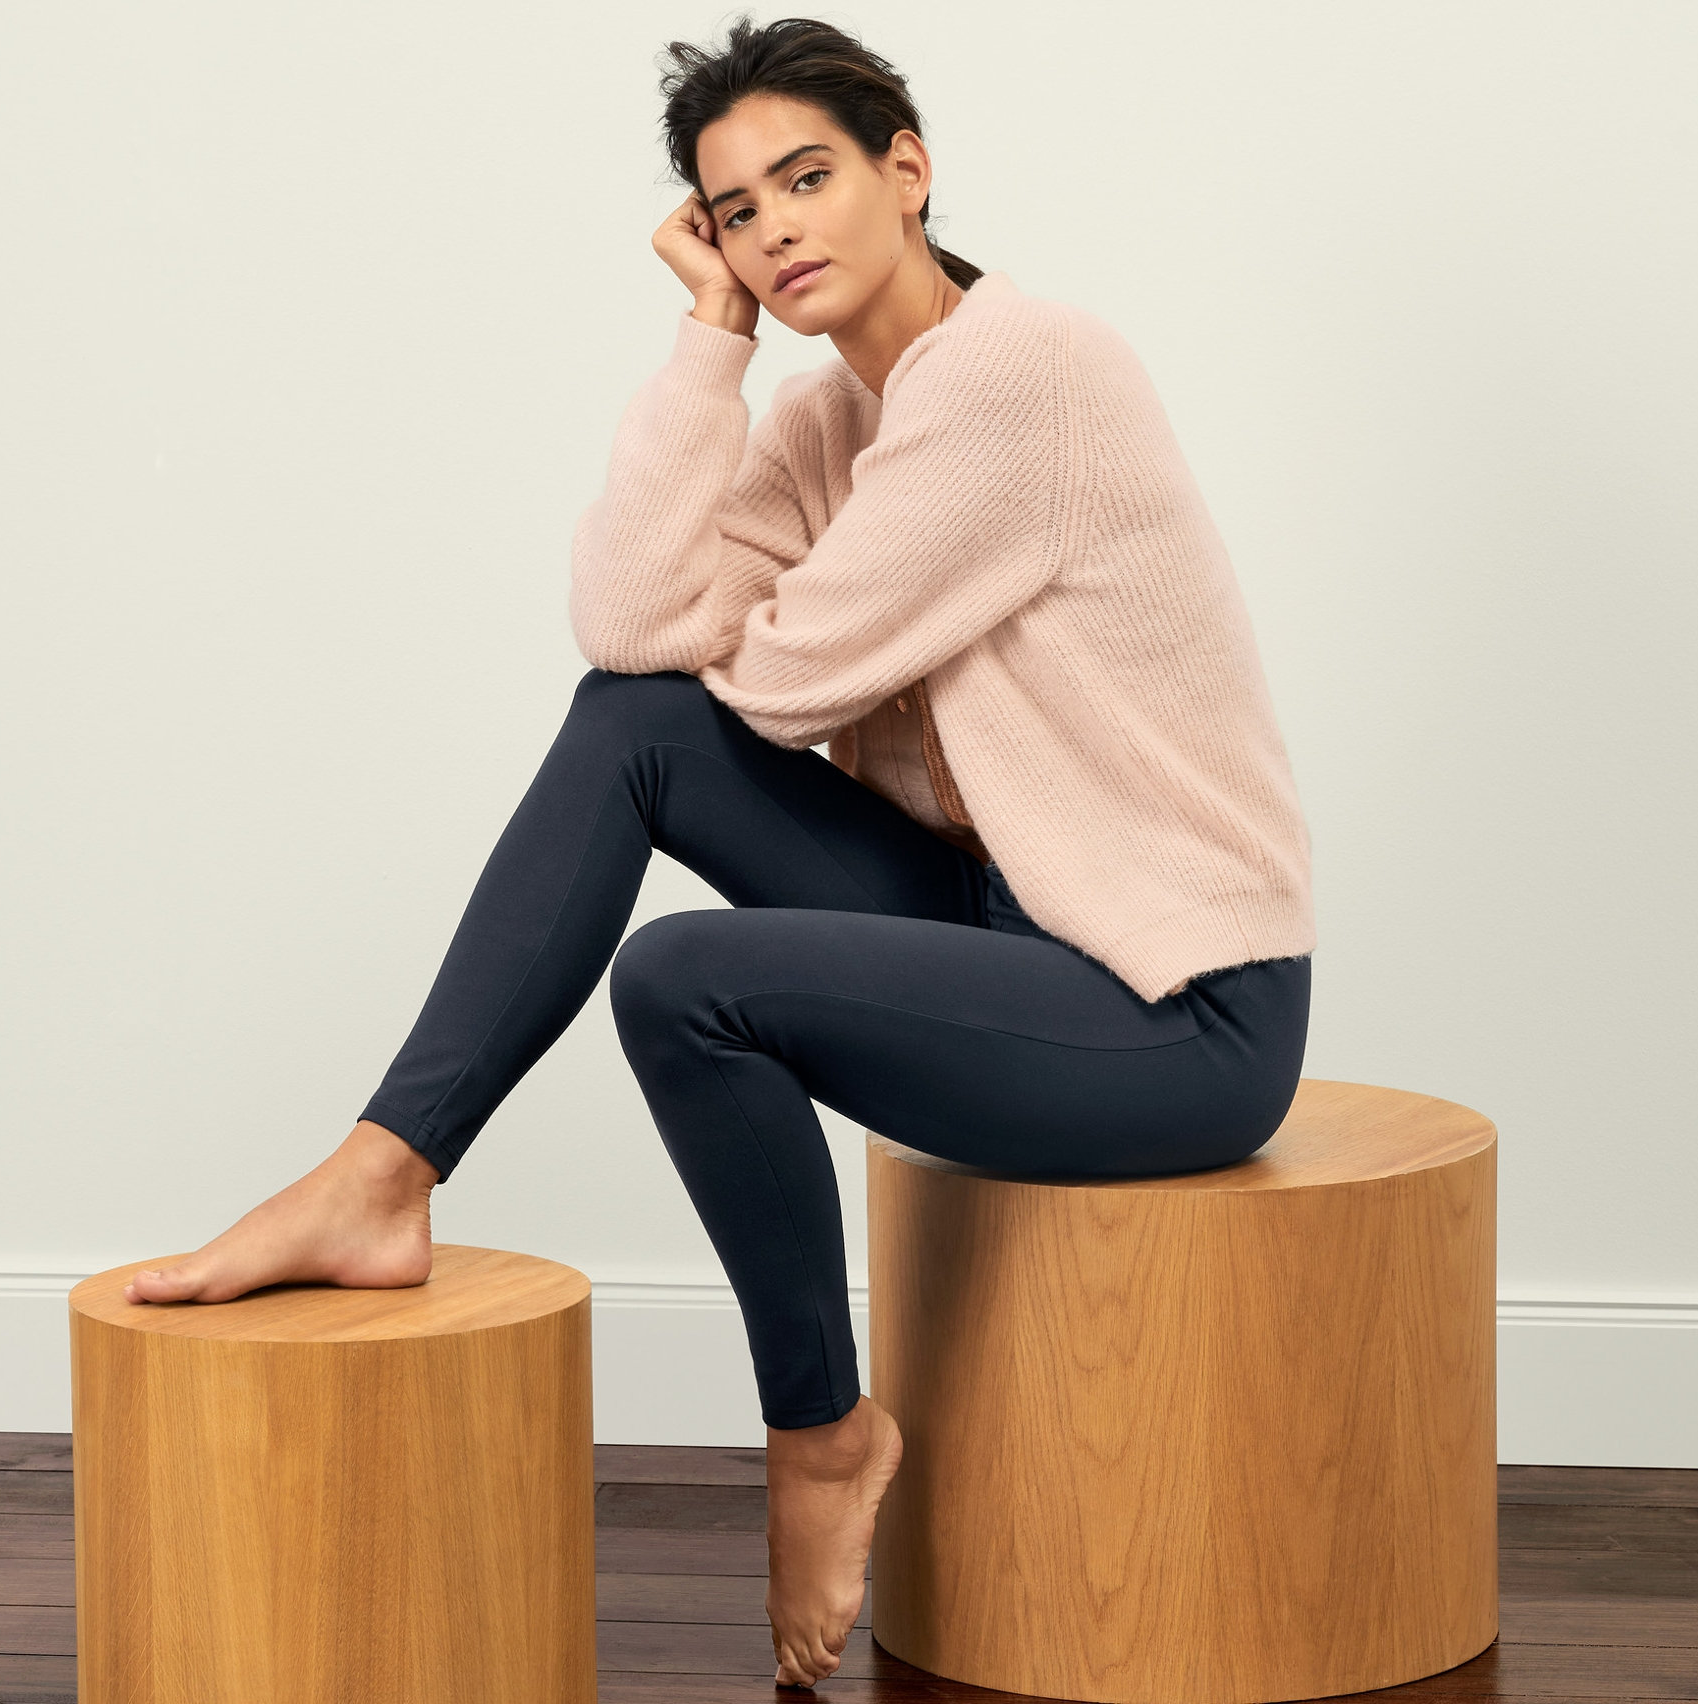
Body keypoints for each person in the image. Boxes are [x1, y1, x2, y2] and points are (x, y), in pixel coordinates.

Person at [121, 13, 1316, 1689]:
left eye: (808, 179)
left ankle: (820, 1435)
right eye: (737, 213)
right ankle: (383, 1172)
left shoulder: (1023, 372)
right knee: (633, 726)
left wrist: (740, 631)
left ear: (910, 171)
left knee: (685, 978)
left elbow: (777, 679)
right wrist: (709, 344)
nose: (776, 233)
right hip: (996, 917)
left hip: (1176, 1007)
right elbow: (635, 634)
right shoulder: (831, 421)